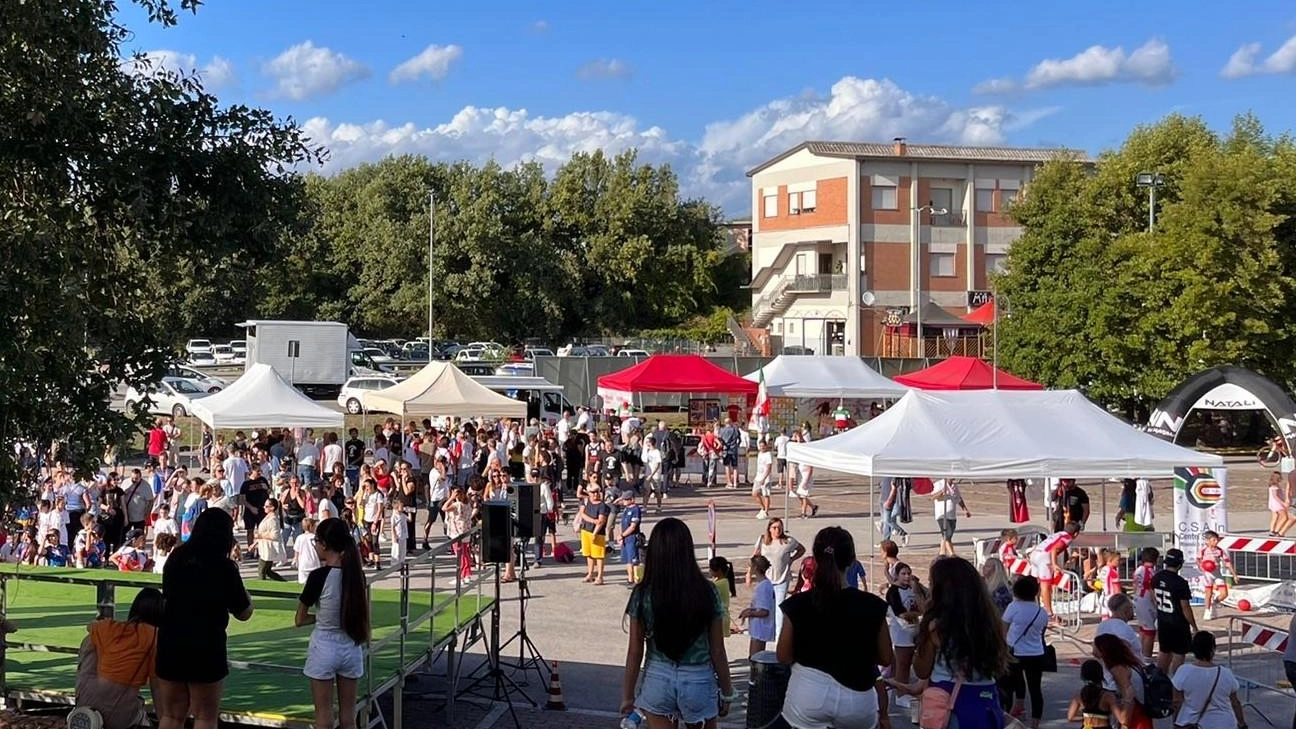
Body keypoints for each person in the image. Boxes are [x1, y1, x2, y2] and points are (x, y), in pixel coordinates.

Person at [619, 518, 735, 728]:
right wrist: (727, 692)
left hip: (657, 677)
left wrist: (628, 695)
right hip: (698, 678)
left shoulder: (643, 593)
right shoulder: (708, 591)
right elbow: (717, 649)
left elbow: (634, 651)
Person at [778, 526, 892, 729]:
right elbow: (885, 658)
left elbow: (783, 656)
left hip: (808, 693)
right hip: (857, 697)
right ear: (851, 560)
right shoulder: (873, 605)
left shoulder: (797, 604)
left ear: (816, 559)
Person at [155, 508, 254, 729]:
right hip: (206, 644)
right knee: (205, 716)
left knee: (171, 715)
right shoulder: (224, 567)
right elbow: (244, 612)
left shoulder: (176, 558)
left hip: (171, 641)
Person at [914, 556, 1010, 729]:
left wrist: (923, 637)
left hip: (950, 699)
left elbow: (921, 669)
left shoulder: (937, 626)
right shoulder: (989, 621)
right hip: (986, 698)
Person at [296, 517, 371, 729]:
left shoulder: (318, 576)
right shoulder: (356, 575)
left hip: (324, 645)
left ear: (325, 544)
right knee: (349, 717)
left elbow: (299, 619)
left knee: (324, 716)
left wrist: (319, 617)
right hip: (351, 643)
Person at [73, 588, 164, 729]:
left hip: (85, 703)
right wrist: (167, 719)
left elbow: (85, 659)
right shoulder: (154, 637)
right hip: (119, 711)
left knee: (91, 642)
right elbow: (156, 687)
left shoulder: (106, 628)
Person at [1170, 631, 1245, 729]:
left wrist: (1176, 722)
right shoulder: (1226, 673)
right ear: (1213, 649)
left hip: (1191, 722)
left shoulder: (1183, 671)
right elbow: (1235, 703)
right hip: (1224, 723)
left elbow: (1176, 701)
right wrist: (1242, 723)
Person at [746, 518, 805, 641]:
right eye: (774, 527)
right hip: (766, 580)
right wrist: (749, 574)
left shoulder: (788, 541)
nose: (777, 530)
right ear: (769, 528)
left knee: (779, 609)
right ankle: (766, 633)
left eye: (779, 527)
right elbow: (754, 557)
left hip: (782, 579)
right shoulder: (763, 540)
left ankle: (779, 638)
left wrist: (792, 559)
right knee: (765, 607)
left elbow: (801, 549)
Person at [1002, 576, 1049, 728]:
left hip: (1015, 652)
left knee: (1010, 686)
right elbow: (1041, 634)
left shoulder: (1013, 607)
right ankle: (1035, 723)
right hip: (1036, 653)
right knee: (1035, 689)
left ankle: (1008, 717)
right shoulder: (1041, 612)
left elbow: (1004, 629)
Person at [885, 561, 928, 707]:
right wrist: (915, 614)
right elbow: (901, 613)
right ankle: (900, 694)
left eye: (909, 573)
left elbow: (924, 607)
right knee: (902, 663)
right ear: (896, 575)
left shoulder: (913, 589)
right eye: (903, 574)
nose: (907, 576)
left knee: (911, 662)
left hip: (916, 630)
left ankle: (905, 690)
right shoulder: (893, 591)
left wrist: (916, 590)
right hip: (902, 632)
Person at [1093, 634, 1152, 729]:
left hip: (1134, 716)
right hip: (1142, 711)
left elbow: (1129, 696)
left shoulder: (1118, 669)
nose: (1093, 649)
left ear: (1103, 650)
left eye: (1095, 646)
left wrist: (1124, 725)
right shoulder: (1131, 663)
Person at [1153, 548, 1197, 676]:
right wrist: (1193, 625)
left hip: (1163, 620)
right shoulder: (1180, 583)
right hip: (1178, 623)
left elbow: (1153, 597)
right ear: (1180, 564)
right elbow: (1185, 607)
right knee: (1179, 653)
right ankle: (1176, 682)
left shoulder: (1157, 577)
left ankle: (1159, 680)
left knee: (1164, 651)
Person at [1031, 521, 1080, 620]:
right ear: (1076, 533)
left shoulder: (1058, 534)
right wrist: (1054, 564)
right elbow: (1054, 549)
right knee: (1046, 586)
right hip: (1044, 557)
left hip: (1035, 553)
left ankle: (1035, 609)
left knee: (1038, 583)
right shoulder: (1068, 538)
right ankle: (1049, 614)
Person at [1066, 659, 1121, 728]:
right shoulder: (1108, 695)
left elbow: (1070, 717)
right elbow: (1121, 719)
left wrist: (1086, 718)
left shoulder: (1079, 694)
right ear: (1100, 675)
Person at [738, 556, 775, 657]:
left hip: (760, 629)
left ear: (755, 568)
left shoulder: (763, 587)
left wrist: (750, 613)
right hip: (758, 629)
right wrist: (749, 609)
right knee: (754, 656)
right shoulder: (764, 585)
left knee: (755, 657)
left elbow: (764, 611)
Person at [576, 485, 610, 585]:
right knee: (589, 554)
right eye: (593, 492)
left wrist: (594, 533)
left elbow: (601, 521)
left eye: (597, 492)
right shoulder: (585, 501)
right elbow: (582, 514)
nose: (595, 494)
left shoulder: (602, 505)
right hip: (586, 530)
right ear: (588, 493)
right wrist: (592, 520)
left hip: (597, 533)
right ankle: (590, 574)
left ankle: (600, 576)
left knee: (599, 555)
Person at [1198, 530, 1233, 621]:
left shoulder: (1219, 551)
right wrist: (1201, 567)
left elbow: (1227, 562)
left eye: (1217, 540)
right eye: (1213, 540)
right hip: (1208, 573)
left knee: (1224, 593)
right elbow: (1198, 559)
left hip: (1217, 573)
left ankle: (1214, 602)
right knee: (1208, 593)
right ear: (1208, 541)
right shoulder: (1203, 550)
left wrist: (1234, 574)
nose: (1216, 542)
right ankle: (1207, 610)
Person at [1132, 547, 1160, 661]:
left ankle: (1141, 653)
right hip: (1146, 600)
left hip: (1138, 598)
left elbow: (1135, 585)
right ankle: (1146, 658)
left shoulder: (1138, 569)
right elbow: (1151, 588)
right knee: (1150, 631)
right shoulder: (1150, 571)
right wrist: (1157, 603)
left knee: (1144, 629)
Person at [931, 479, 971, 556]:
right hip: (942, 514)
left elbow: (958, 498)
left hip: (952, 515)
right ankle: (952, 554)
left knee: (946, 535)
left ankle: (942, 553)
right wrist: (942, 491)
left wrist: (965, 509)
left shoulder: (954, 486)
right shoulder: (939, 484)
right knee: (947, 534)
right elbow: (933, 496)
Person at [255, 499, 287, 581]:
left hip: (268, 549)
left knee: (261, 571)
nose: (264, 508)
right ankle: (283, 582)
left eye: (266, 506)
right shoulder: (268, 516)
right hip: (264, 548)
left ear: (272, 508)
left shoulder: (273, 519)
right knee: (268, 571)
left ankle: (261, 586)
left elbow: (275, 535)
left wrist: (260, 535)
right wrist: (254, 544)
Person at [618, 490, 644, 585]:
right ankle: (630, 579)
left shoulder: (635, 510)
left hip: (632, 537)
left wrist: (622, 535)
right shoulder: (626, 509)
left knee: (634, 560)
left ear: (632, 499)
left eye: (626, 499)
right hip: (625, 538)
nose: (624, 501)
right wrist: (620, 536)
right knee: (628, 560)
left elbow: (633, 526)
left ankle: (637, 580)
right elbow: (622, 524)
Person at [709, 556, 737, 635]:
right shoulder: (723, 581)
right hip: (724, 617)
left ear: (719, 570)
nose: (709, 570)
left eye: (711, 568)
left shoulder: (719, 584)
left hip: (719, 619)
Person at [295, 517, 322, 584]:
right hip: (315, 563)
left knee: (303, 583)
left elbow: (297, 551)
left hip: (303, 563)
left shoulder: (299, 538)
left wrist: (297, 561)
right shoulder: (316, 538)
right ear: (312, 527)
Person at [751, 439, 773, 520]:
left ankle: (766, 511)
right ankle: (763, 508)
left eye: (763, 446)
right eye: (760, 446)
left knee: (766, 494)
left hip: (765, 478)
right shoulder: (760, 454)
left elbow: (768, 468)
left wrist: (764, 478)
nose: (761, 448)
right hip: (758, 477)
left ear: (766, 446)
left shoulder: (768, 455)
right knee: (754, 493)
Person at [1269, 472, 1294, 537]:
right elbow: (1275, 496)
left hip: (1273, 504)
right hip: (1277, 504)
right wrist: (1283, 503)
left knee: (1275, 517)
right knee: (1285, 517)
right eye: (1280, 478)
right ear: (1277, 479)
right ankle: (1277, 530)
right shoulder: (1275, 487)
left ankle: (1272, 531)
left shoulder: (1273, 486)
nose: (1281, 479)